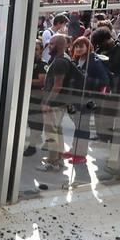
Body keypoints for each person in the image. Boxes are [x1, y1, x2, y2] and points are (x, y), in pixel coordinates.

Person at [38, 34, 72, 172]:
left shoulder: (59, 62)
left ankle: (52, 162)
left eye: (51, 44)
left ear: (58, 45)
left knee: (51, 133)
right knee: (57, 131)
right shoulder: (61, 59)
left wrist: (47, 102)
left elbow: (57, 85)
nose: (48, 46)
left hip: (55, 104)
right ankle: (58, 158)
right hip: (59, 103)